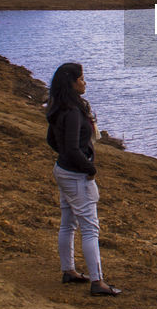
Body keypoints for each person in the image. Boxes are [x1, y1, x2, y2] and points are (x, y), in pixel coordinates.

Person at [46, 62, 121, 296]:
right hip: (76, 175)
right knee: (90, 229)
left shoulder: (58, 107)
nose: (85, 82)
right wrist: (89, 168)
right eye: (81, 78)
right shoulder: (73, 112)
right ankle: (97, 282)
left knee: (68, 222)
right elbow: (71, 147)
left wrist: (71, 160)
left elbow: (53, 141)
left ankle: (68, 270)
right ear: (72, 82)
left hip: (62, 170)